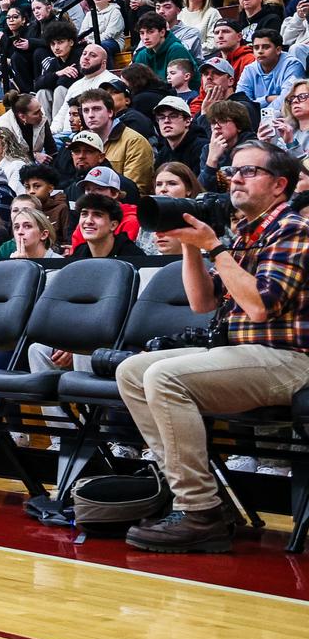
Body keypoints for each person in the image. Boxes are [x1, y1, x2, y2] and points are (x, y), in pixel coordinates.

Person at [117, 140, 309, 552]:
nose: (234, 179)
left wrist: (214, 248)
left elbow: (260, 306)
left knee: (165, 376)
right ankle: (206, 499)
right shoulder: (245, 230)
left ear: (279, 185)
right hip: (244, 354)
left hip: (289, 360)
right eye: (232, 171)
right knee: (131, 371)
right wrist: (190, 245)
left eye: (248, 172)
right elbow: (203, 303)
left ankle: (197, 512)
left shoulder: (293, 229)